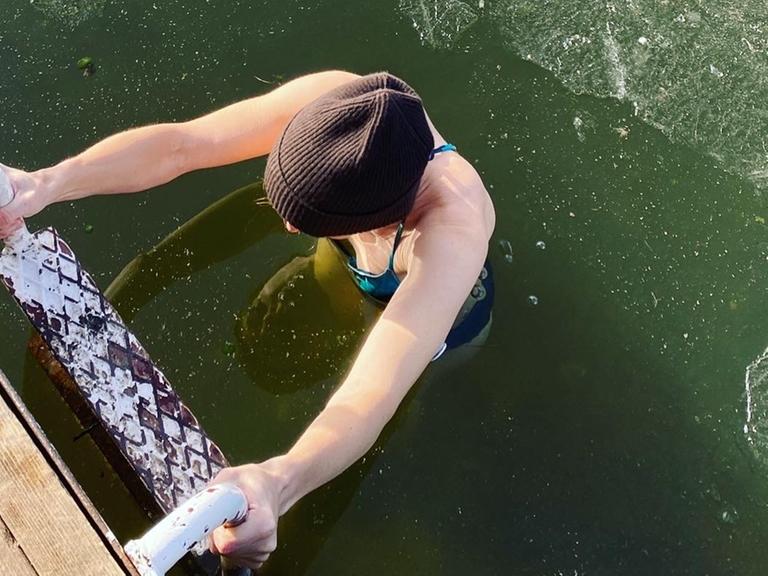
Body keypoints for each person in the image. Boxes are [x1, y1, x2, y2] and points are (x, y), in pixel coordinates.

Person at [0, 70, 495, 569]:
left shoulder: (451, 232)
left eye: (308, 219)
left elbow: (372, 394)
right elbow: (182, 145)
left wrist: (278, 483)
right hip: (354, 258)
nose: (286, 226)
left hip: (440, 322)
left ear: (379, 217)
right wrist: (44, 185)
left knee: (391, 420)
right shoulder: (344, 106)